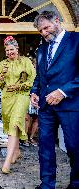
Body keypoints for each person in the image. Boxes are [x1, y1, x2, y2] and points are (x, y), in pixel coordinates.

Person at [30, 11, 79, 189]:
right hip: (45, 107)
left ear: (57, 21)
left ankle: (76, 182)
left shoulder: (76, 40)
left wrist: (63, 92)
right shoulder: (42, 48)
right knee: (45, 148)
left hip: (71, 105)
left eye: (46, 27)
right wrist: (34, 91)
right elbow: (40, 76)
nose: (44, 33)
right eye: (40, 30)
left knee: (74, 146)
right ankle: (47, 184)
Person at [0, 36, 36, 174]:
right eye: (7, 50)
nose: (10, 52)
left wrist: (19, 86)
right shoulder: (1, 64)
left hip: (21, 96)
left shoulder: (26, 62)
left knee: (15, 124)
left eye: (12, 49)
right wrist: (1, 77)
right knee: (11, 126)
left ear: (17, 49)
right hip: (7, 98)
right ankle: (16, 152)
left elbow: (33, 79)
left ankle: (7, 162)